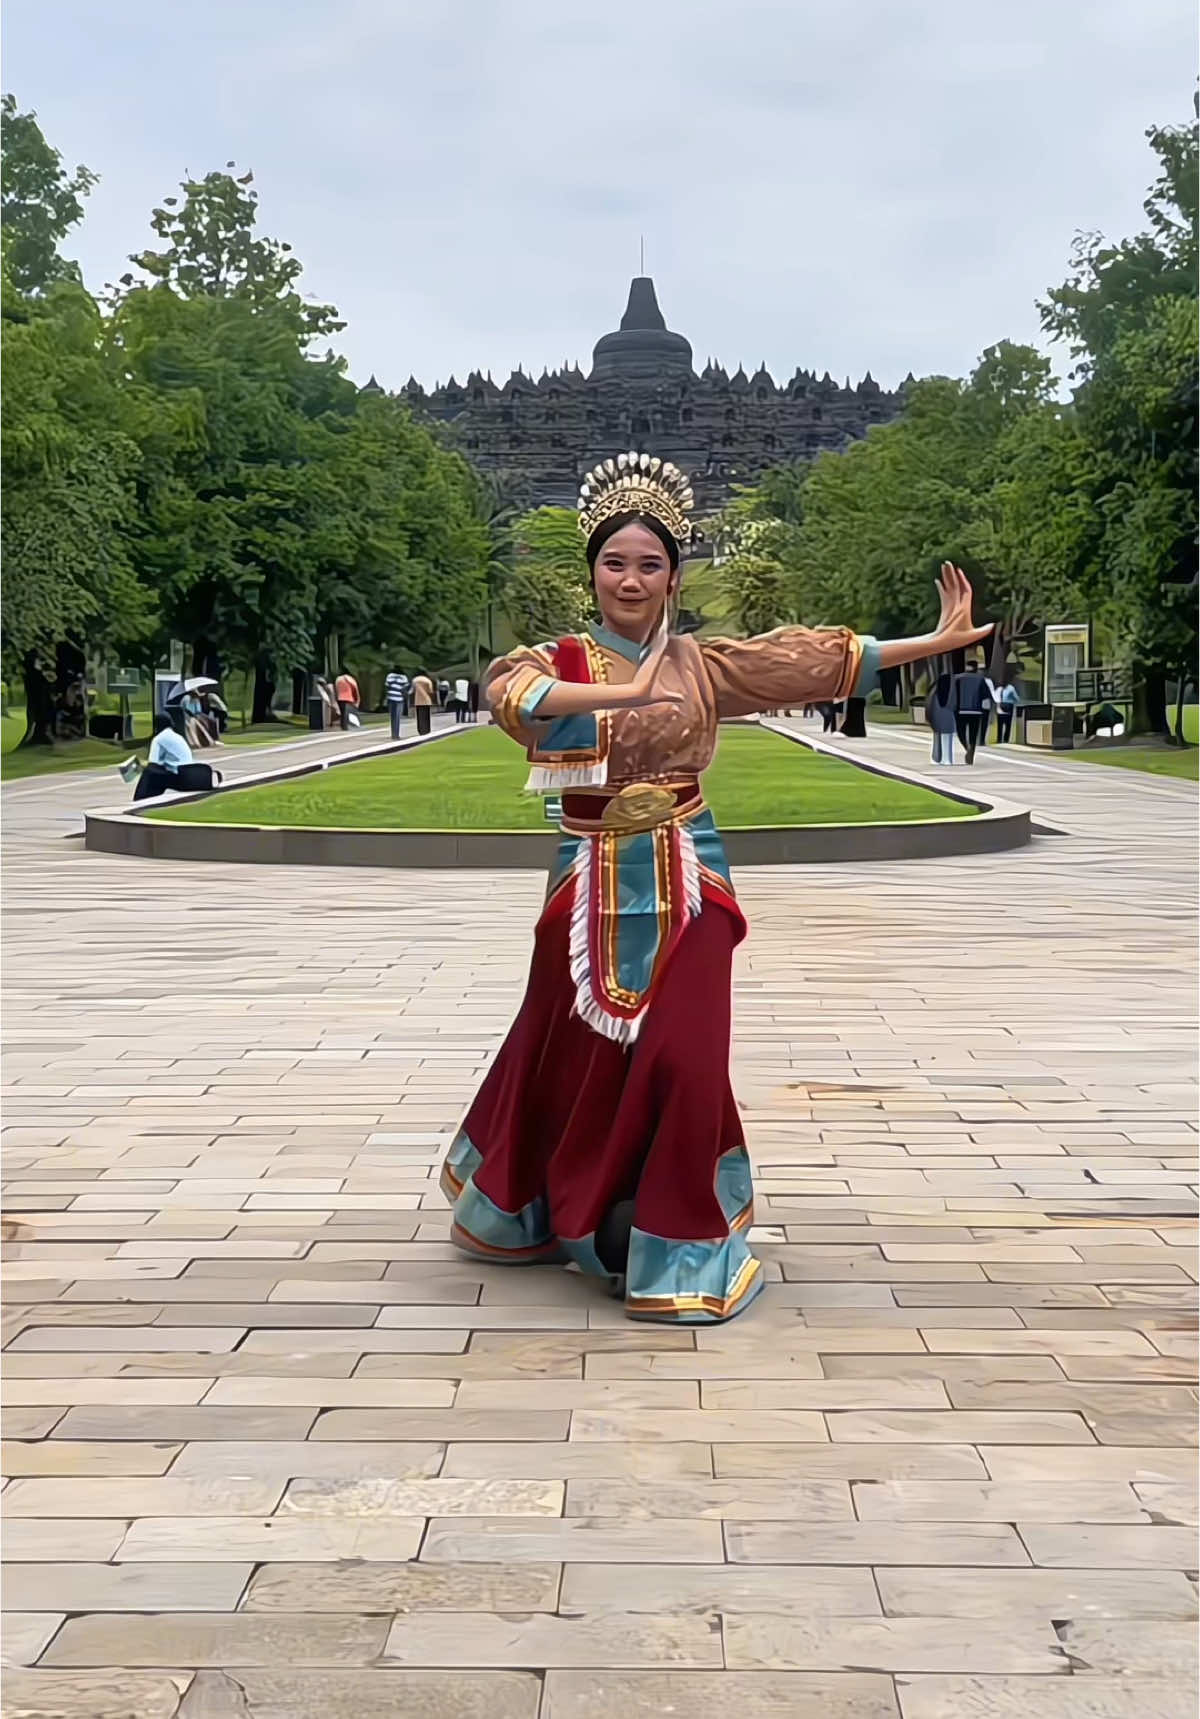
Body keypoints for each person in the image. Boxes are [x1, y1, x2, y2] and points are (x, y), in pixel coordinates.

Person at [438, 450, 991, 1325]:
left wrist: (934, 641)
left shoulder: (700, 663)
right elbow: (522, 699)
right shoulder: (554, 657)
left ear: (674, 576)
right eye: (615, 562)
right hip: (586, 882)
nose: (631, 578)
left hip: (691, 875)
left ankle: (679, 1237)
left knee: (687, 1056)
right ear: (592, 572)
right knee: (575, 1055)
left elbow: (804, 665)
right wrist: (625, 693)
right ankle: (567, 1204)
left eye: (649, 564)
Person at [952, 658, 992, 764]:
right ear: (976, 668)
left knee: (961, 732)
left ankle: (967, 747)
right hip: (976, 711)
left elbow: (952, 695)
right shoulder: (981, 679)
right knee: (973, 735)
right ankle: (971, 752)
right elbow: (986, 696)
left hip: (960, 711)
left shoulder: (957, 678)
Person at [925, 671, 956, 764]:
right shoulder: (953, 691)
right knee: (947, 739)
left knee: (937, 739)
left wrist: (929, 718)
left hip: (937, 720)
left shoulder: (933, 693)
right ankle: (947, 759)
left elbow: (929, 706)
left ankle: (936, 759)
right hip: (948, 720)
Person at [385, 667, 410, 739]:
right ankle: (396, 735)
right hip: (399, 699)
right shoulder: (403, 677)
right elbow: (404, 689)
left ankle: (393, 734)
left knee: (392, 717)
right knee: (397, 717)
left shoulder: (389, 676)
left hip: (390, 698)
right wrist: (405, 697)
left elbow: (387, 686)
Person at [412, 670, 436, 736]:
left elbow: (413, 690)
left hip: (417, 700)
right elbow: (430, 690)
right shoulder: (427, 680)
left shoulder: (414, 680)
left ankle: (420, 730)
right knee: (426, 716)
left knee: (419, 716)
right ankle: (426, 730)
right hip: (426, 700)